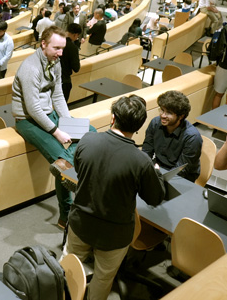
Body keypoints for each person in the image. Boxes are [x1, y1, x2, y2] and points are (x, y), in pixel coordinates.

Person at [63, 95, 165, 300]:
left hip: (80, 223)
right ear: (138, 127)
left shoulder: (87, 140)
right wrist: (156, 173)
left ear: (113, 118)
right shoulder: (141, 161)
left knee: (68, 267)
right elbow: (155, 198)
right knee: (103, 278)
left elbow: (80, 168)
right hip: (115, 235)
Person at [12, 26, 94, 228]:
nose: (60, 53)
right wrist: (57, 132)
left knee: (91, 134)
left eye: (63, 48)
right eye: (57, 48)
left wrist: (69, 123)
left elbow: (57, 95)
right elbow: (32, 109)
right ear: (43, 44)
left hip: (50, 114)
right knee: (62, 162)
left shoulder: (54, 62)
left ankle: (64, 164)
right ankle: (65, 215)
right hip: (28, 121)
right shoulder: (30, 68)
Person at [142, 90, 202, 182]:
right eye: (162, 110)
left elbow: (181, 170)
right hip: (159, 167)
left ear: (181, 116)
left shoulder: (192, 137)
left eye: (169, 112)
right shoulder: (155, 123)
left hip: (182, 176)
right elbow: (146, 151)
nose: (162, 115)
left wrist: (158, 179)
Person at [60, 23, 81, 102]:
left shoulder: (56, 41)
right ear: (76, 35)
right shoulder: (72, 48)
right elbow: (76, 68)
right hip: (64, 80)